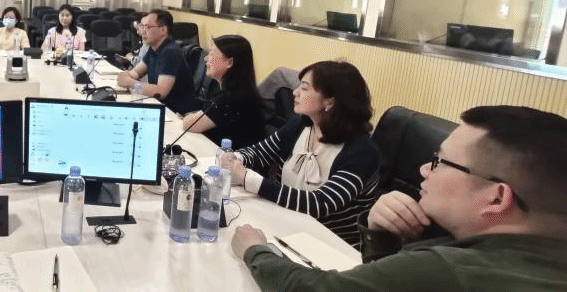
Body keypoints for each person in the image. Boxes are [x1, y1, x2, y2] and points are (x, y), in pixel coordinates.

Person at [231, 105, 567, 291]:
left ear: (496, 198)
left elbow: (312, 288)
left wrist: (255, 249)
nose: (424, 169)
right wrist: (381, 237)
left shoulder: (452, 270)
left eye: (439, 161)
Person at [225, 60, 378, 246]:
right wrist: (235, 158)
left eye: (304, 88)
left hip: (329, 245)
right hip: (286, 227)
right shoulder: (301, 125)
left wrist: (248, 179)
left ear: (330, 101)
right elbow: (259, 152)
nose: (295, 92)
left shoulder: (362, 151)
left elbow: (318, 204)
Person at [180, 35, 265, 148]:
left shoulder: (231, 98)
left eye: (212, 53)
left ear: (229, 62)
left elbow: (189, 124)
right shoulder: (241, 91)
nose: (206, 58)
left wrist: (188, 116)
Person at [116, 10, 200, 114]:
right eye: (142, 26)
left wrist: (130, 82)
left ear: (163, 30)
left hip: (178, 113)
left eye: (147, 27)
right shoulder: (153, 48)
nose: (142, 32)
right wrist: (126, 76)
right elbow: (135, 73)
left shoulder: (171, 52)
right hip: (161, 107)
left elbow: (161, 92)